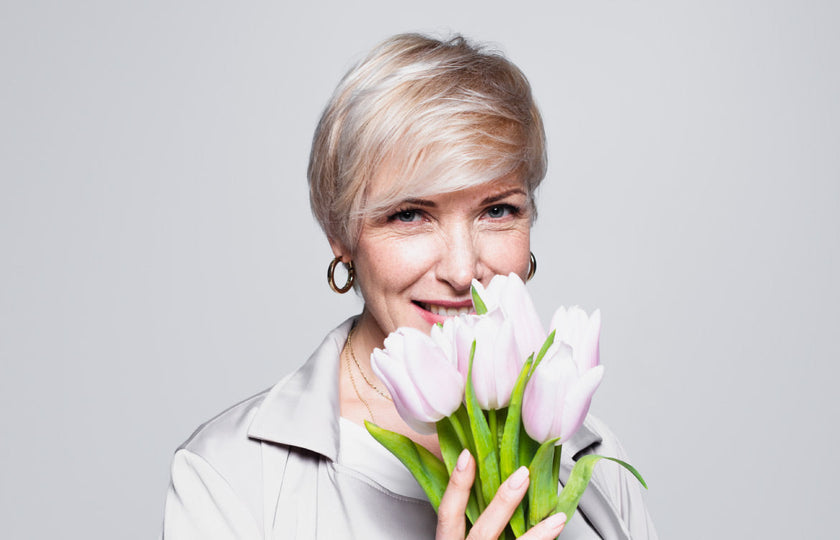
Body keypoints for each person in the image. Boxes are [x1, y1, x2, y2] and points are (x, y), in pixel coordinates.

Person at [162, 33, 657, 539]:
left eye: (497, 210)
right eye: (410, 214)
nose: (462, 271)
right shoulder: (230, 477)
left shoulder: (589, 456)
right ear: (340, 233)